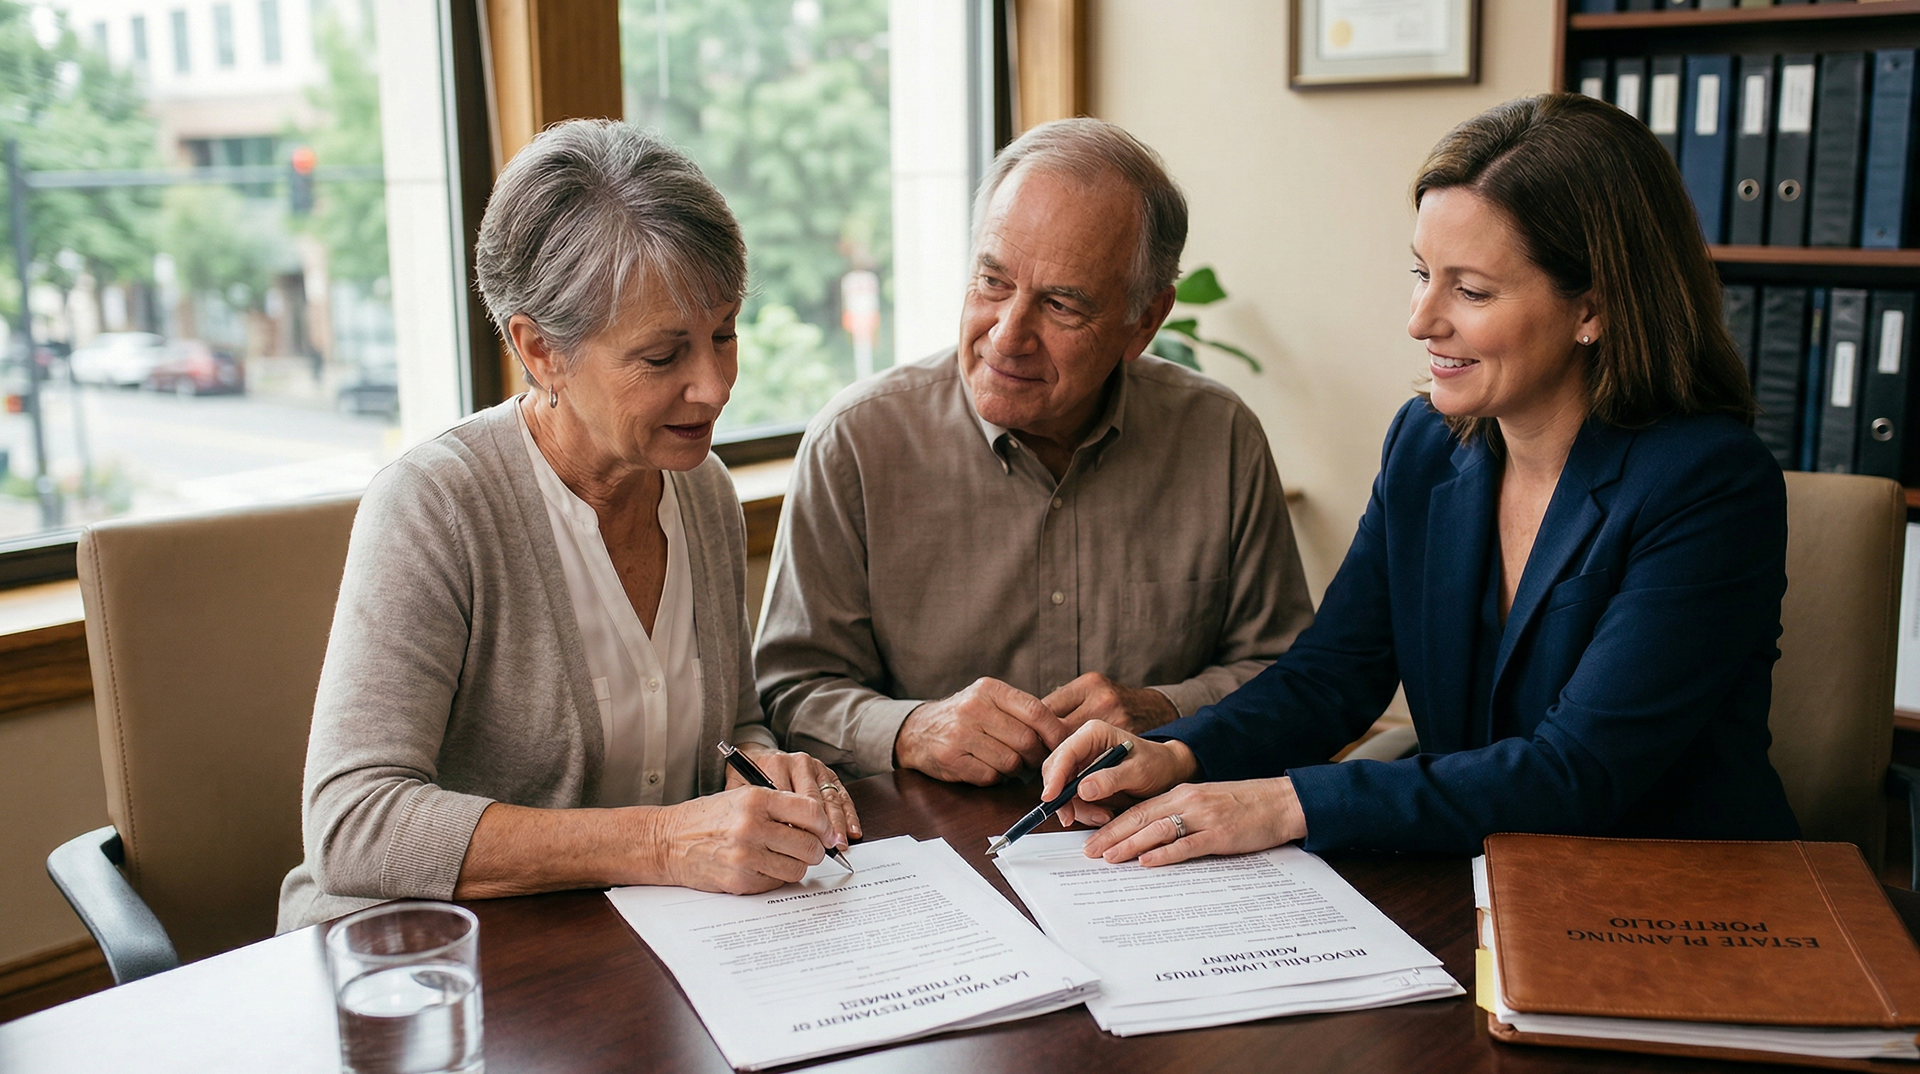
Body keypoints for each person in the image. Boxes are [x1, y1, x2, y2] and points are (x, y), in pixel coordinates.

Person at [1039, 93, 1801, 864]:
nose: (1420, 318)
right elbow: (1335, 674)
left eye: (1470, 290)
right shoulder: (1427, 444)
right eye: (1421, 272)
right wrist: (1179, 754)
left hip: (1668, 901)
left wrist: (1283, 801)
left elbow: (1576, 774)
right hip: (1476, 875)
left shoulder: (1710, 484)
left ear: (1592, 308)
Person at [278, 120, 858, 932]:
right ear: (540, 349)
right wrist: (658, 842)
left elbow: (728, 725)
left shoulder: (703, 491)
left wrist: (760, 770)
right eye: (664, 357)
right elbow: (355, 824)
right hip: (424, 969)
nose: (715, 386)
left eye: (724, 334)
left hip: (632, 947)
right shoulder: (434, 506)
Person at [754, 118, 1314, 786]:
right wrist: (911, 729)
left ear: (1145, 321)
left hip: (1158, 843)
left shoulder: (1219, 437)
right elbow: (791, 690)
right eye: (992, 282)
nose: (1008, 335)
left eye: (1060, 305)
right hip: (932, 854)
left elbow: (1287, 674)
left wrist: (1162, 707)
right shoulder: (856, 442)